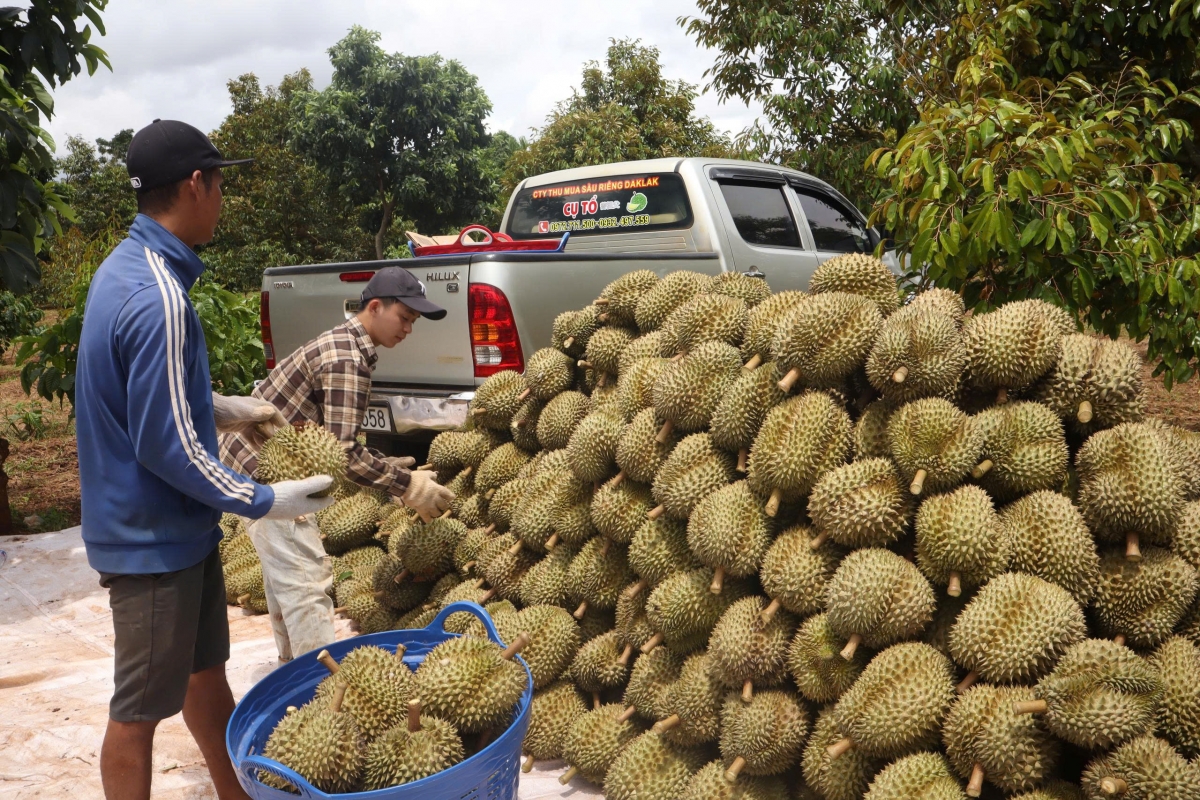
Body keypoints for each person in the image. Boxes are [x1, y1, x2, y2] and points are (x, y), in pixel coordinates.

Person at [75, 119, 338, 800]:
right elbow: (167, 447)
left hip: (171, 530)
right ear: (196, 184)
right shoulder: (158, 296)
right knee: (137, 713)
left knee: (203, 676)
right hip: (151, 540)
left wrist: (223, 406)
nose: (223, 198)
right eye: (220, 183)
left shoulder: (129, 269)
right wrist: (267, 499)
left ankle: (236, 794)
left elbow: (141, 393)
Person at [219, 266, 456, 662]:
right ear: (375, 307)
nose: (408, 329)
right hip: (269, 476)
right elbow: (344, 453)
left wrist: (387, 466)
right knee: (307, 583)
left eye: (413, 321)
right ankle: (317, 685)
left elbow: (333, 440)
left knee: (285, 580)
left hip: (250, 466)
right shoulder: (348, 358)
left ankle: (290, 668)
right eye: (404, 317)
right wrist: (408, 486)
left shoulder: (343, 343)